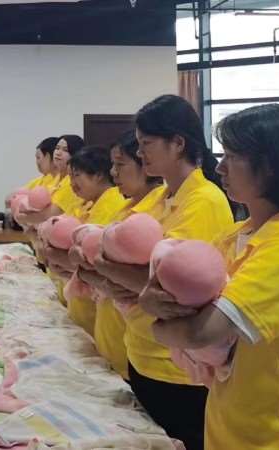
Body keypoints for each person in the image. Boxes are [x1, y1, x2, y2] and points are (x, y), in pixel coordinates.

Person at [138, 104, 279, 450]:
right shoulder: (233, 237)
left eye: (232, 156)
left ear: (271, 165)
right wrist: (151, 305)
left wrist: (157, 324)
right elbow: (165, 304)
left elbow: (200, 332)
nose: (219, 167)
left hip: (274, 433)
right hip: (227, 421)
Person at [90, 95, 233, 450]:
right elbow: (117, 253)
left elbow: (168, 286)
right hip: (140, 350)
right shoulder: (158, 198)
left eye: (147, 144)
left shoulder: (204, 200)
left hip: (176, 367)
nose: (141, 154)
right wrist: (118, 272)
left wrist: (107, 269)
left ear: (178, 143)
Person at [75, 131, 163, 380]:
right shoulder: (126, 208)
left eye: (120, 165)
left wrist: (97, 270)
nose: (113, 173)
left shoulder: (151, 211)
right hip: (119, 334)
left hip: (150, 350)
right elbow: (87, 260)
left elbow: (147, 281)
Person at [43, 145, 126, 336]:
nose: (72, 183)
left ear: (98, 175)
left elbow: (89, 259)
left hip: (99, 309)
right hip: (83, 303)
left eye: (76, 176)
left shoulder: (112, 204)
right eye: (70, 177)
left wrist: (59, 256)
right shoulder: (87, 203)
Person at [15, 134, 86, 226]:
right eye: (57, 148)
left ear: (75, 155)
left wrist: (21, 217)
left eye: (65, 150)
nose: (58, 153)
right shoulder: (56, 179)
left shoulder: (71, 182)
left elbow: (50, 214)